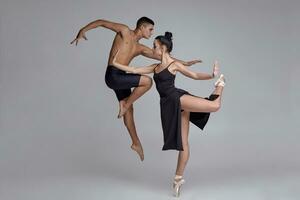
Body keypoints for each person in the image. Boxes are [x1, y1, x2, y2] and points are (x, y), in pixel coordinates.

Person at [71, 17, 201, 161]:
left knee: (129, 111)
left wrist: (185, 63)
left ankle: (135, 142)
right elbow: (102, 22)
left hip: (122, 77)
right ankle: (125, 104)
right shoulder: (124, 31)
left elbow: (164, 57)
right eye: (150, 29)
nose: (152, 33)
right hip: (113, 75)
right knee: (147, 81)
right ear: (142, 27)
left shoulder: (140, 48)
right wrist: (82, 30)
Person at [112, 32, 225, 197]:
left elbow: (193, 75)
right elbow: (135, 69)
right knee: (183, 144)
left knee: (214, 106)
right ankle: (178, 179)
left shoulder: (173, 64)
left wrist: (211, 75)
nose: (153, 49)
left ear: (163, 48)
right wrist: (116, 64)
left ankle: (220, 83)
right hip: (169, 106)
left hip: (177, 98)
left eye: (155, 46)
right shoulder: (155, 67)